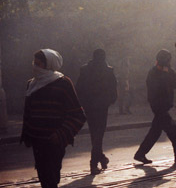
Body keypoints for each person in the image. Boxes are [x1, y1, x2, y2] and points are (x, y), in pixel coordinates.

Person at [21, 49, 86, 188]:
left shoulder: (63, 83)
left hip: (54, 141)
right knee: (44, 177)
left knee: (52, 177)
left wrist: (60, 135)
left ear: (48, 65)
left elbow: (78, 115)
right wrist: (27, 133)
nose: (35, 67)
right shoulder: (31, 84)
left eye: (38, 64)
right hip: (37, 140)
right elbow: (28, 112)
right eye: (34, 63)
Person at [134, 49, 176, 165]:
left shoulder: (168, 70)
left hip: (164, 106)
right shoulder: (153, 72)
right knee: (173, 131)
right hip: (158, 106)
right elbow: (157, 87)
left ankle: (140, 154)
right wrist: (166, 74)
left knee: (155, 132)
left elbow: (175, 84)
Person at [76, 49, 117, 175]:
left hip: (89, 107)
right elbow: (113, 88)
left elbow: (79, 88)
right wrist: (110, 101)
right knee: (99, 133)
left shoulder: (84, 70)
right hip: (102, 107)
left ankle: (101, 158)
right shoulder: (108, 70)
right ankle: (94, 163)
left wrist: (82, 103)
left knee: (94, 133)